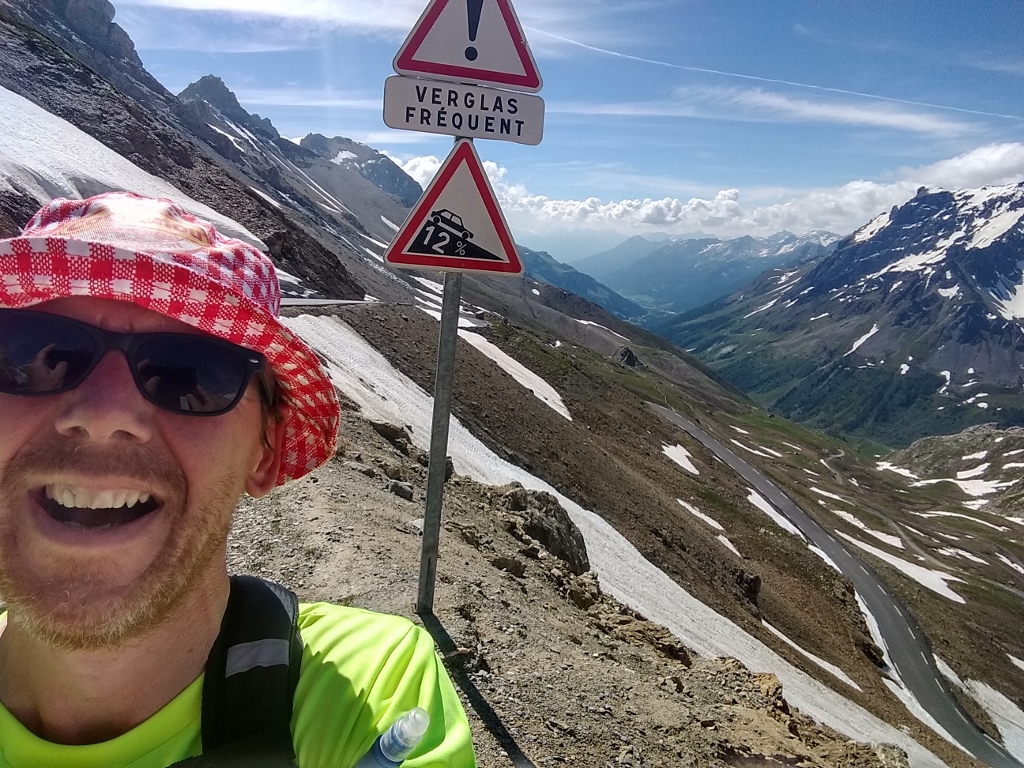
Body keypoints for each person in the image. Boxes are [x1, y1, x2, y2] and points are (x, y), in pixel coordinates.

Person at [0, 192, 477, 767]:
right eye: (26, 353)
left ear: (265, 452)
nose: (102, 415)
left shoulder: (375, 696)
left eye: (189, 374)